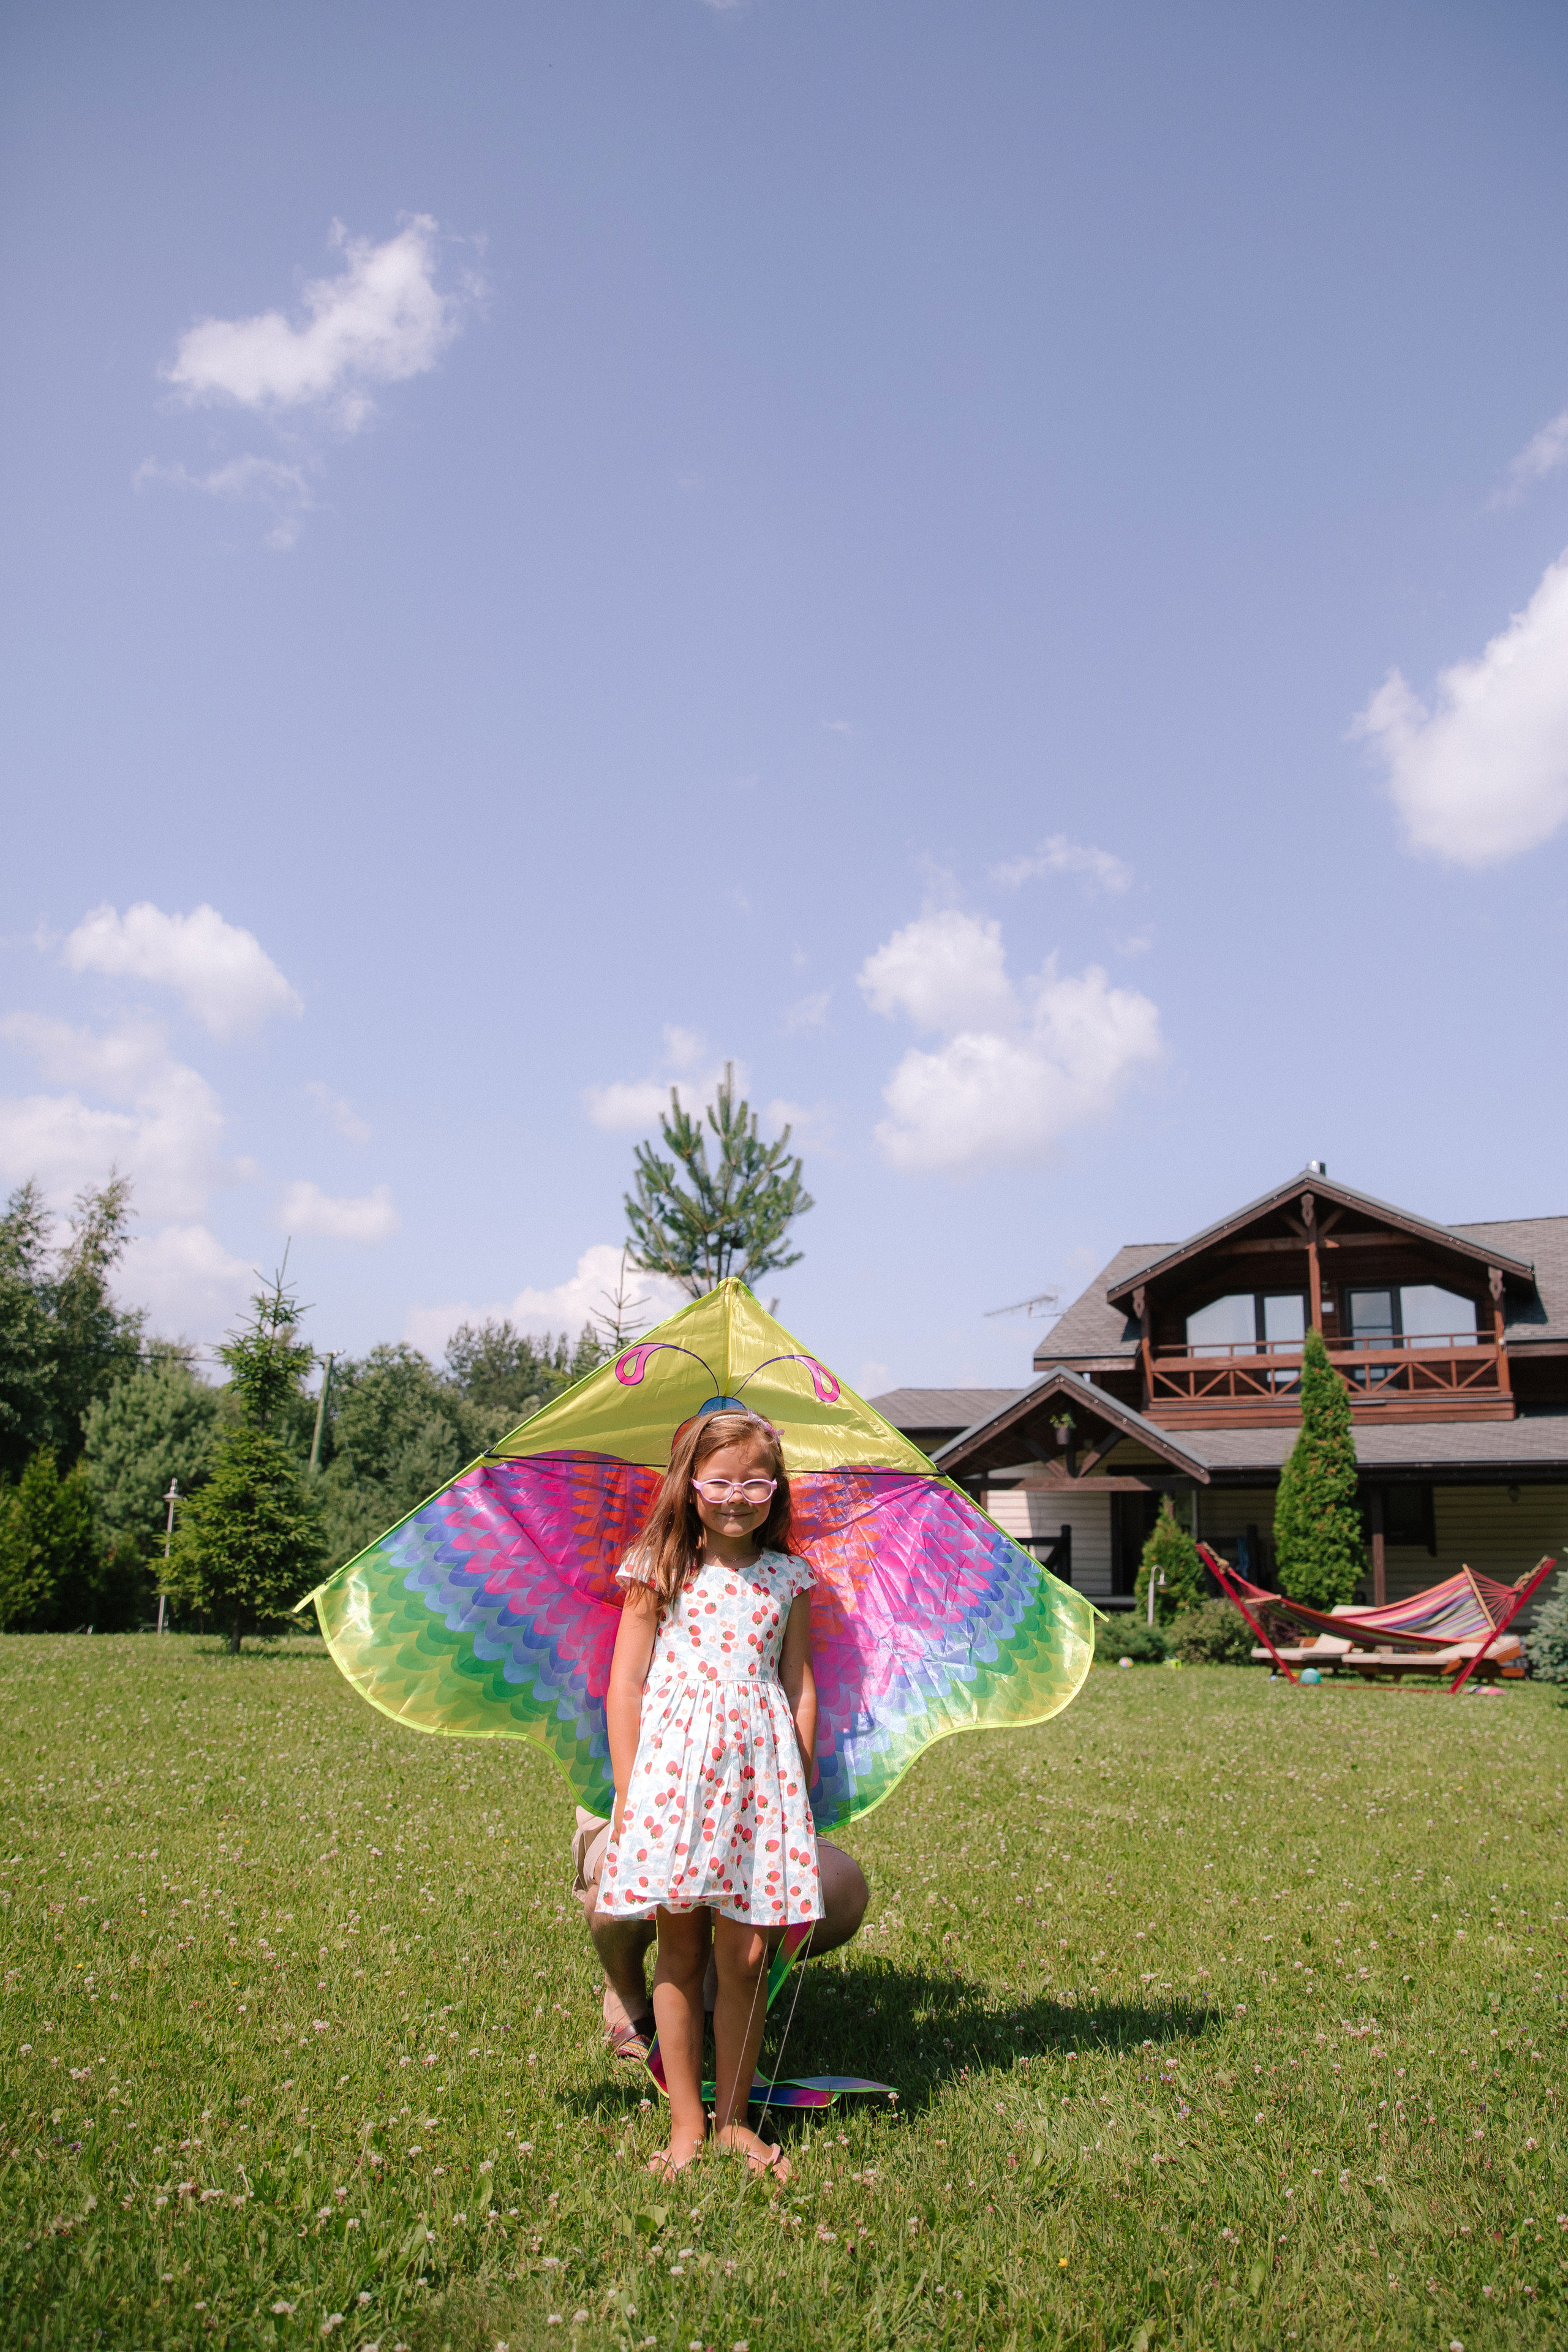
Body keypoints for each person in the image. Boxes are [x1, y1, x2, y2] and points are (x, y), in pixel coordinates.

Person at [590, 1404, 837, 2179]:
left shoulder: (788, 1576)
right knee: (682, 1947)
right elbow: (625, 1686)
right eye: (720, 1481)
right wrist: (631, 1796)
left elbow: (797, 1682)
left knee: (748, 1952)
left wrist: (796, 1773)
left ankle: (734, 2120)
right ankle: (687, 2125)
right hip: (675, 1782)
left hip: (760, 1782)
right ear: (690, 1485)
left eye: (756, 1482)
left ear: (777, 1489)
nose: (738, 1496)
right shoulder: (659, 1567)